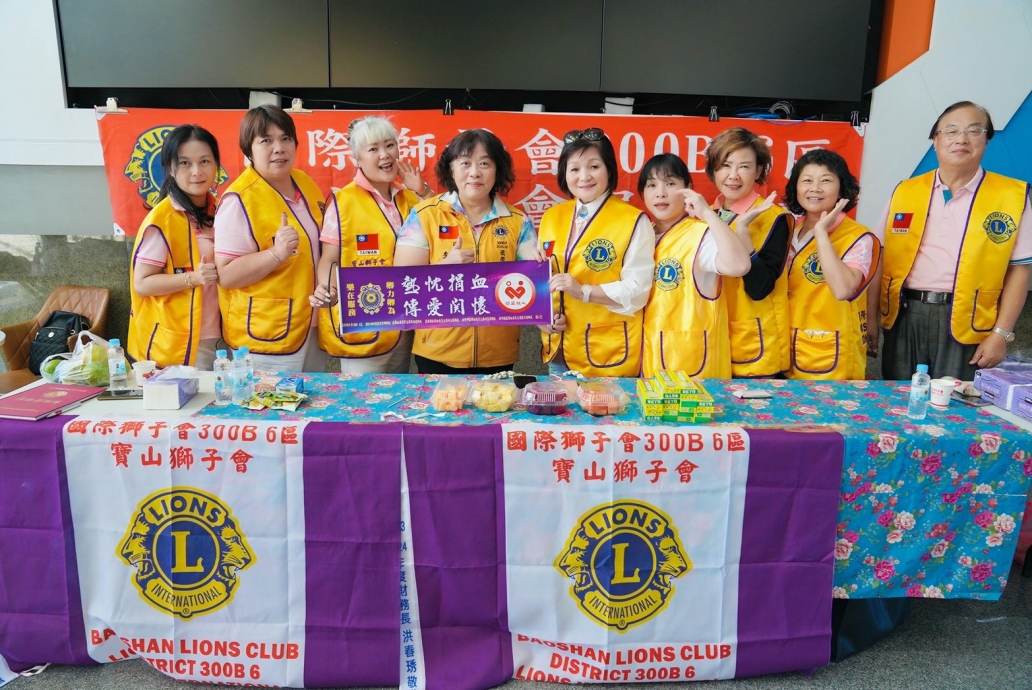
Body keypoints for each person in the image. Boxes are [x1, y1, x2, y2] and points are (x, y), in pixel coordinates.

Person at [870, 101, 1032, 380]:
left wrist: (1001, 333)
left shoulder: (1011, 196)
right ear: (935, 140)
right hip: (904, 315)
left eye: (974, 130)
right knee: (898, 398)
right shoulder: (905, 191)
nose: (962, 139)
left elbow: (1020, 269)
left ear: (987, 140)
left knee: (958, 402)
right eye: (951, 131)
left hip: (970, 320)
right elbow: (880, 257)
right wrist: (870, 320)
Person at [394, 129, 543, 374]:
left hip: (497, 354)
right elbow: (401, 285)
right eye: (465, 163)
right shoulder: (424, 215)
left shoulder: (518, 222)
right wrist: (444, 268)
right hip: (437, 352)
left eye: (485, 163)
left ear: (498, 170)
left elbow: (534, 284)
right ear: (451, 169)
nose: (475, 172)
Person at [309, 116, 434, 373]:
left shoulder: (409, 198)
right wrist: (328, 289)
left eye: (389, 145)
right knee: (362, 396)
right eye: (373, 149)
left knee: (398, 394)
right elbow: (329, 258)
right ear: (357, 158)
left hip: (405, 322)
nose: (385, 155)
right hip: (365, 321)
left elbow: (445, 224)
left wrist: (422, 191)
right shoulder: (343, 201)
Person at [214, 105, 326, 373]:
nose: (279, 148)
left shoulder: (304, 182)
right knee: (273, 399)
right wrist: (275, 254)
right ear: (248, 150)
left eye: (285, 138)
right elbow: (226, 275)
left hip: (312, 322)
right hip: (266, 332)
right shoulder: (239, 199)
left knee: (314, 395)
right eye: (266, 141)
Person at [538, 128, 653, 378]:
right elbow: (540, 276)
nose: (584, 177)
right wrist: (541, 317)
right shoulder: (552, 217)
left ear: (609, 170)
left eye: (594, 166)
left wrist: (584, 292)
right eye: (574, 169)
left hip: (607, 352)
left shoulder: (633, 220)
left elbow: (639, 290)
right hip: (558, 350)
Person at [637, 154, 752, 378]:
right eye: (651, 185)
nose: (660, 193)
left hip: (692, 371)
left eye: (670, 183)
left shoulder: (701, 234)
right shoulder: (642, 234)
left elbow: (739, 266)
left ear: (688, 189)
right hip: (647, 366)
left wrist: (706, 213)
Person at [128, 125, 223, 369]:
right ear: (171, 168)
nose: (197, 171)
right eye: (185, 163)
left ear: (216, 165)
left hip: (226, 334)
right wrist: (194, 278)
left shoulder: (221, 210)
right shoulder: (163, 219)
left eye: (205, 161)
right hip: (185, 341)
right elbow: (142, 283)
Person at [783, 149, 880, 380]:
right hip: (784, 347)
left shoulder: (857, 237)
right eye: (807, 180)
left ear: (841, 188)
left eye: (826, 180)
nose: (815, 188)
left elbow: (843, 289)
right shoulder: (789, 229)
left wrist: (821, 234)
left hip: (829, 352)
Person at [705, 127, 793, 378]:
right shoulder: (706, 216)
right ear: (713, 169)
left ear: (758, 171)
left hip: (755, 348)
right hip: (710, 343)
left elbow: (760, 288)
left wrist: (743, 234)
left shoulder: (773, 218)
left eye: (744, 167)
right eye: (725, 165)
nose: (733, 176)